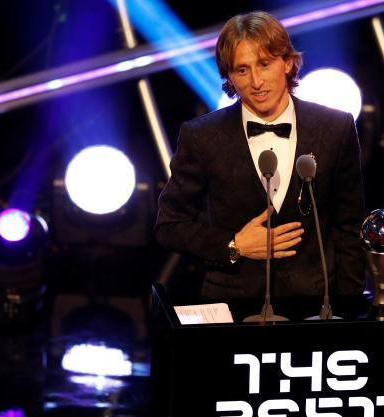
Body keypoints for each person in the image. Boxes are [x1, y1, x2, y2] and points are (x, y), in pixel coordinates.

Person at [155, 11, 365, 301]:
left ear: (288, 63)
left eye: (264, 65)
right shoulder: (201, 136)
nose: (256, 81)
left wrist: (349, 311)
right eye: (242, 70)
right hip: (233, 308)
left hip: (316, 309)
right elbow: (169, 226)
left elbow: (349, 228)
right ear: (229, 76)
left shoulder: (335, 128)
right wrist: (233, 245)